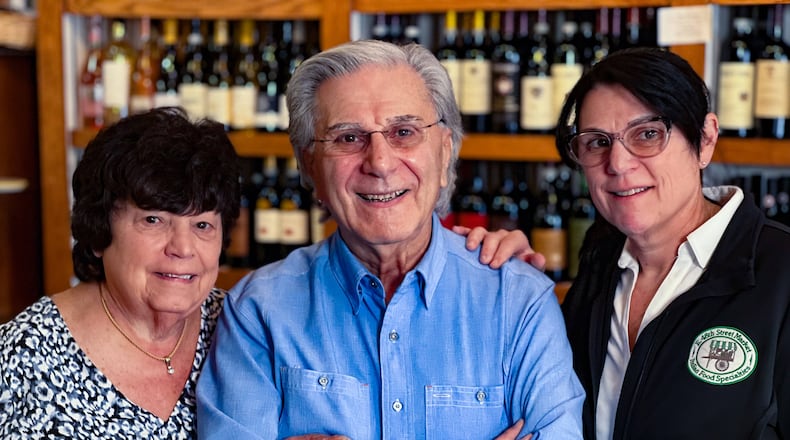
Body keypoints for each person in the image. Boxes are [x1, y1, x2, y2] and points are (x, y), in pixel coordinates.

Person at [0, 106, 536, 438]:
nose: (182, 249)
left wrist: (476, 255)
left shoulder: (238, 319)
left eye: (203, 225)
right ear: (100, 229)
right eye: (153, 220)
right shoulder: (26, 354)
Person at [196, 39, 584, 439]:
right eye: (348, 138)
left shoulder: (519, 302)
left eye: (404, 132)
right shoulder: (258, 311)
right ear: (309, 167)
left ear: (445, 152)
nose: (379, 162)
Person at [556, 47, 790, 439]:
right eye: (597, 142)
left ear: (705, 139)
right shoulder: (599, 261)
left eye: (648, 134)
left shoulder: (780, 273)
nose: (619, 164)